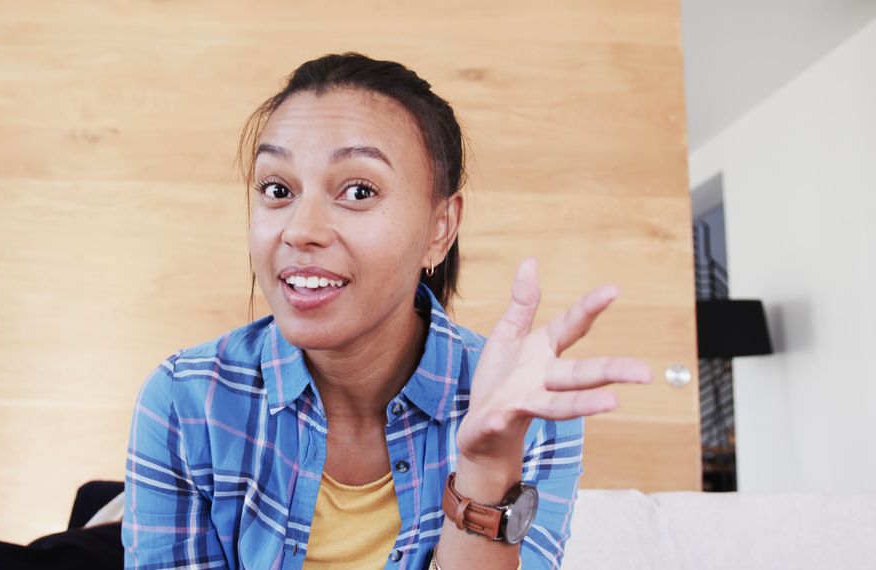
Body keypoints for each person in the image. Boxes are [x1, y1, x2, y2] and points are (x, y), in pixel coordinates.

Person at [123, 52, 652, 570]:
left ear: (440, 227)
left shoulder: (525, 411)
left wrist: (486, 469)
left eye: (358, 190)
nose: (301, 229)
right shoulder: (185, 399)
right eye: (277, 188)